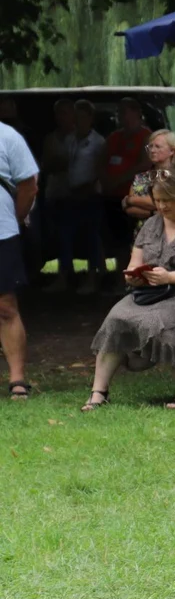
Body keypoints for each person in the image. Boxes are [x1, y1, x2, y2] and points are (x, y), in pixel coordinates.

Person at [82, 170, 175, 410]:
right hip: (150, 292)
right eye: (157, 200)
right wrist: (135, 277)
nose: (161, 206)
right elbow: (134, 263)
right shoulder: (151, 224)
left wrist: (169, 276)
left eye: (167, 200)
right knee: (115, 317)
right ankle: (99, 392)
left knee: (156, 322)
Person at [48, 99, 107, 294]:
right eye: (76, 116)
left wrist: (90, 186)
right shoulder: (70, 139)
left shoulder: (98, 141)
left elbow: (101, 169)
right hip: (70, 194)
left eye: (83, 116)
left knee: (91, 236)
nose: (79, 120)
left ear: (90, 118)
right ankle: (65, 276)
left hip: (90, 195)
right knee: (65, 235)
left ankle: (92, 278)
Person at [0, 122, 38, 400]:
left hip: (1, 231)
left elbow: (28, 184)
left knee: (5, 306)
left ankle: (17, 379)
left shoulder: (7, 135)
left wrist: (14, 218)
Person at [102, 98, 152, 266]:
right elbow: (103, 161)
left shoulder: (146, 136)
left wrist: (120, 179)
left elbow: (145, 164)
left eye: (124, 112)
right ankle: (120, 274)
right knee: (117, 239)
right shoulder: (114, 137)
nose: (121, 116)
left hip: (136, 195)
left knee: (133, 238)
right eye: (119, 113)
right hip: (113, 196)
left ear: (137, 113)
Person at [123, 129, 175, 237]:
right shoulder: (141, 177)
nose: (152, 150)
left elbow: (168, 205)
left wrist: (131, 200)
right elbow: (128, 209)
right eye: (151, 146)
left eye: (158, 147)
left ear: (172, 151)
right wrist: (154, 211)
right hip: (141, 236)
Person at [41, 99, 76, 252]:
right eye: (58, 113)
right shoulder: (50, 138)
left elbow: (78, 163)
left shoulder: (80, 137)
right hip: (54, 193)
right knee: (58, 233)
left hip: (76, 193)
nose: (60, 117)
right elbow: (47, 165)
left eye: (64, 113)